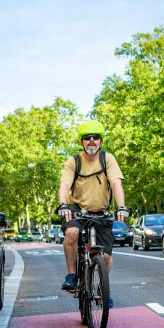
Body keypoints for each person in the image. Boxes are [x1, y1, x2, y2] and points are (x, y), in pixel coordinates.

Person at [57, 120, 128, 308]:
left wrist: (121, 206)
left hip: (101, 211)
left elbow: (116, 184)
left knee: (105, 257)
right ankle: (72, 274)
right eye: (87, 138)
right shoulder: (74, 162)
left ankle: (103, 289)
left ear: (100, 141)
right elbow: (64, 185)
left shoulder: (108, 159)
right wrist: (63, 204)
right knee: (71, 234)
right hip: (76, 209)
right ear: (82, 142)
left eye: (95, 137)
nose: (91, 141)